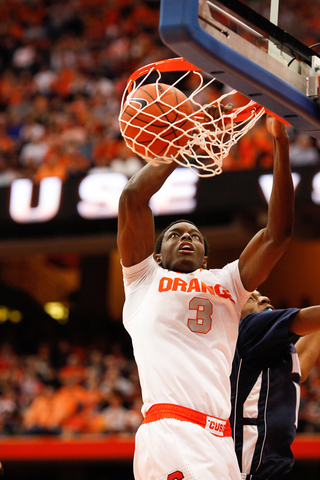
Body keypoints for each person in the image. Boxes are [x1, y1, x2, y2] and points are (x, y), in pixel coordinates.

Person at [117, 115, 294, 480]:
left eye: (195, 236)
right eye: (174, 234)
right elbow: (133, 198)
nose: (186, 237)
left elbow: (278, 234)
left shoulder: (227, 282)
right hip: (171, 431)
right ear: (156, 254)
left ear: (206, 257)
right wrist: (177, 144)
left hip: (220, 440)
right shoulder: (143, 279)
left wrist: (280, 143)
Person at [230, 290, 320, 480]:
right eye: (250, 299)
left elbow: (300, 364)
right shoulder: (247, 329)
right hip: (243, 472)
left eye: (263, 296)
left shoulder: (273, 351)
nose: (264, 299)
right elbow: (305, 319)